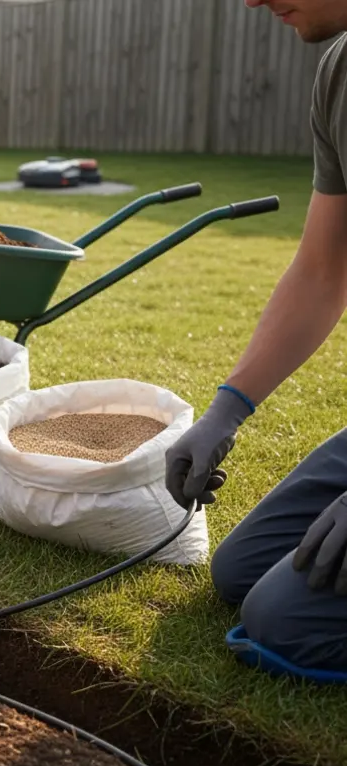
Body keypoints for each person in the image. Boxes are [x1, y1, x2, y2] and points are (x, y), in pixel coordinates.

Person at [167, 0, 347, 672]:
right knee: (238, 573)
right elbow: (323, 271)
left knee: (282, 622)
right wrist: (227, 408)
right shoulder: (339, 72)